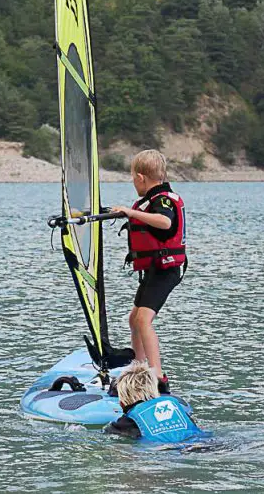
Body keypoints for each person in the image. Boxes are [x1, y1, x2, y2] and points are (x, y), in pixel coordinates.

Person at [111, 149, 186, 394]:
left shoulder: (162, 200)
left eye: (133, 178)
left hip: (167, 270)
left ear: (141, 177)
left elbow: (165, 222)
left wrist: (131, 212)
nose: (133, 183)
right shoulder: (150, 201)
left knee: (143, 320)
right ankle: (138, 367)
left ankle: (156, 377)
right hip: (155, 269)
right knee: (134, 319)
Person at [104, 361, 201, 442]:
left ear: (122, 403)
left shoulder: (127, 422)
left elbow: (109, 432)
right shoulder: (175, 407)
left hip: (163, 451)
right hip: (198, 443)